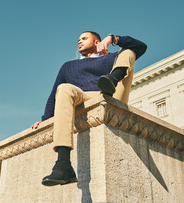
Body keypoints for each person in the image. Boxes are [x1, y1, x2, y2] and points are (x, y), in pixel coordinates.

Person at [31, 31, 147, 187]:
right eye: (78, 40)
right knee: (64, 88)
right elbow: (54, 96)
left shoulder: (111, 57)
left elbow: (141, 47)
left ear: (96, 41)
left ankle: (112, 78)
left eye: (84, 38)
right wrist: (45, 121)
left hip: (112, 94)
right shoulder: (68, 66)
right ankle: (63, 164)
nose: (79, 42)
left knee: (129, 50)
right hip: (85, 98)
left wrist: (112, 39)